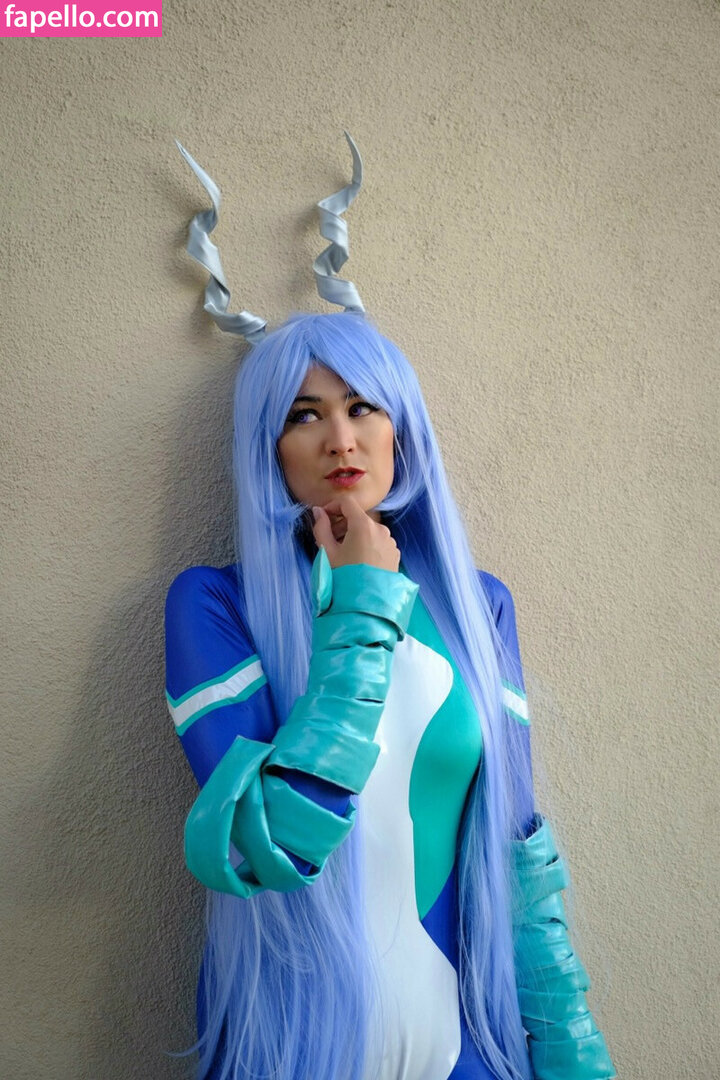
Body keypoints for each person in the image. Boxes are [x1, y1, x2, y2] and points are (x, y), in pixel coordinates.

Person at [165, 135, 616, 1080]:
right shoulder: (214, 606)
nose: (341, 438)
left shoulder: (481, 609)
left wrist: (573, 1056)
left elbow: (519, 858)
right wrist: (364, 602)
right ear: (268, 447)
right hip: (288, 1045)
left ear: (402, 429)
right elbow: (262, 846)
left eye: (364, 406)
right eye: (304, 414)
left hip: (469, 1048)